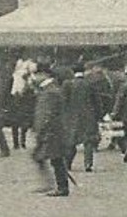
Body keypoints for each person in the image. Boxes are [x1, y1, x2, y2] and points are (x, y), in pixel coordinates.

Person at [31, 63, 71, 196]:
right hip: (51, 131)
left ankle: (60, 187)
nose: (34, 77)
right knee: (51, 158)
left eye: (36, 74)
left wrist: (41, 130)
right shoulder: (48, 89)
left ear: (44, 74)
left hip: (51, 131)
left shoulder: (50, 91)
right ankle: (53, 184)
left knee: (54, 158)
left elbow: (47, 114)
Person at [63, 62, 105, 174]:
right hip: (89, 117)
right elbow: (97, 102)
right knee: (89, 142)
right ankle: (88, 164)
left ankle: (68, 164)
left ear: (72, 72)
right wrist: (99, 115)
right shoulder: (90, 84)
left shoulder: (68, 84)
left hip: (72, 117)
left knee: (71, 142)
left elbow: (64, 102)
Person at [8, 55, 37, 150]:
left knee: (16, 124)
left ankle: (17, 143)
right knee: (22, 123)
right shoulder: (19, 76)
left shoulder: (18, 76)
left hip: (19, 100)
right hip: (21, 101)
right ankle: (20, 142)